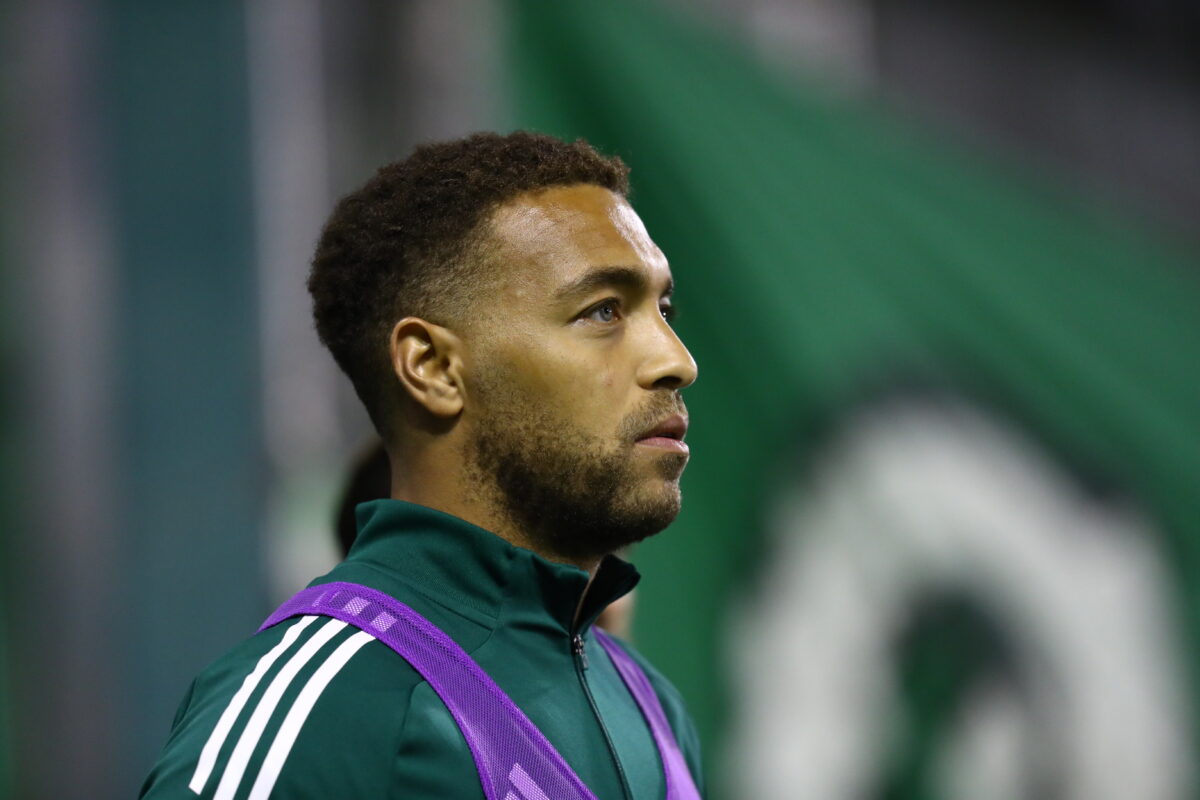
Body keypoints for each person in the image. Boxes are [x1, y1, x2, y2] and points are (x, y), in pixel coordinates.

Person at [139, 131, 703, 799]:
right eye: (602, 311)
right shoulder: (328, 719)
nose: (677, 361)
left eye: (663, 309)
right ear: (433, 368)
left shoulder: (649, 706)